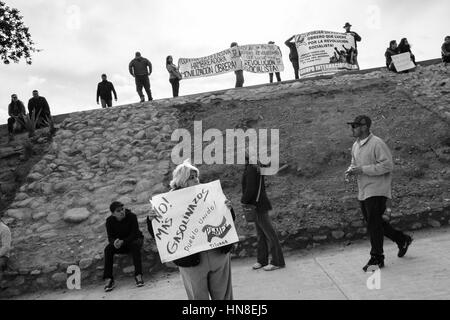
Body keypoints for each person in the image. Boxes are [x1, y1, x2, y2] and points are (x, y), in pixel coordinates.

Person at [147, 160, 235, 300]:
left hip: (217, 253)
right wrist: (152, 220)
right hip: (191, 261)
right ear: (181, 180)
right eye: (191, 177)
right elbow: (160, 233)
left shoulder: (208, 193)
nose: (196, 180)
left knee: (224, 296)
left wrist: (228, 208)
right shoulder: (167, 203)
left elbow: (227, 219)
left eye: (196, 176)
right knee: (198, 298)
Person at [345, 115, 413, 272]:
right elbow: (355, 163)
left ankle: (377, 257)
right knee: (377, 223)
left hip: (377, 190)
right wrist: (351, 170)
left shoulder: (377, 143)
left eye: (354, 126)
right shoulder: (355, 145)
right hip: (364, 190)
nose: (352, 129)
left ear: (364, 127)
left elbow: (387, 166)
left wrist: (363, 169)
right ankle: (402, 239)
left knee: (374, 225)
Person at [241, 153, 285, 271]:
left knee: (269, 234)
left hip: (257, 205)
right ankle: (262, 260)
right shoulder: (255, 167)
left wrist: (243, 200)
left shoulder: (251, 168)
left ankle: (277, 261)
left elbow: (250, 189)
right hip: (258, 204)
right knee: (261, 234)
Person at [103, 201, 145, 292]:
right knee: (108, 249)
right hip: (121, 244)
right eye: (118, 211)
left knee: (135, 246)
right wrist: (114, 242)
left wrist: (124, 241)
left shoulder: (132, 216)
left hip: (134, 240)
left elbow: (135, 234)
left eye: (122, 209)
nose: (122, 211)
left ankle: (138, 275)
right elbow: (110, 237)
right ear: (113, 213)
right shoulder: (109, 221)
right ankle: (109, 279)